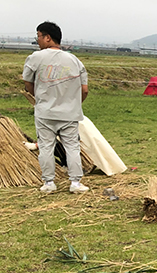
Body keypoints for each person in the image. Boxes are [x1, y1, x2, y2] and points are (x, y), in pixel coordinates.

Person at [22, 21, 89, 194]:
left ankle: (49, 183)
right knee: (72, 147)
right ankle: (75, 183)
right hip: (70, 113)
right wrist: (74, 104)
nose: (37, 40)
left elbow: (27, 82)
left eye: (38, 36)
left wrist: (38, 98)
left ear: (47, 37)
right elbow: (84, 89)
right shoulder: (75, 60)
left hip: (45, 112)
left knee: (45, 147)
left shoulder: (35, 57)